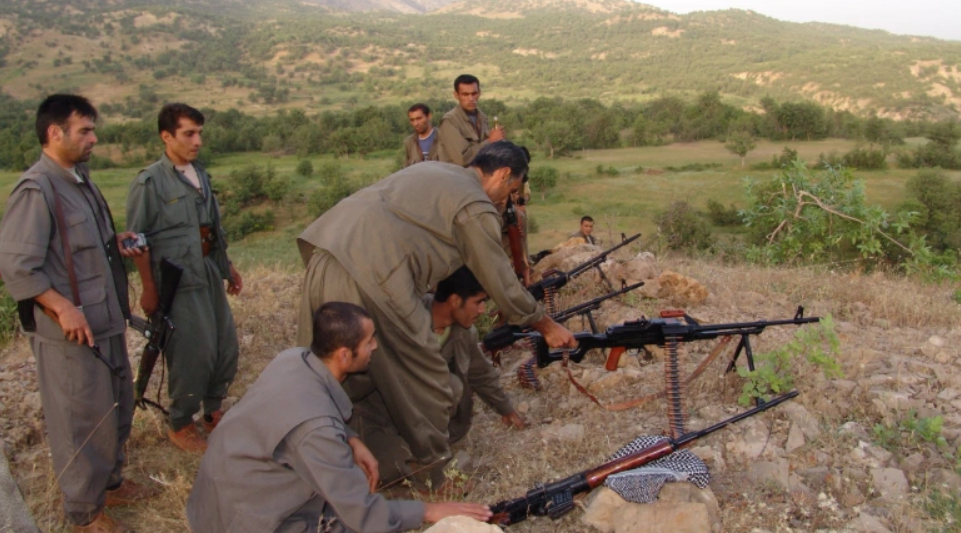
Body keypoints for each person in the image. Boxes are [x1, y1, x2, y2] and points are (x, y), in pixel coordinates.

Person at [296, 141, 575, 490]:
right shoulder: (473, 203)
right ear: (503, 175)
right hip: (376, 278)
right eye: (511, 190)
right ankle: (435, 476)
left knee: (319, 371)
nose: (506, 200)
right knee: (424, 375)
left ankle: (307, 451)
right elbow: (499, 277)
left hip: (325, 259)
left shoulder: (436, 170)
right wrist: (545, 324)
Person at [187, 302, 492, 533]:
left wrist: (352, 438)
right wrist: (428, 511)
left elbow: (310, 411)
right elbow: (363, 515)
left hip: (215, 500)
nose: (374, 346)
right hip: (238, 522)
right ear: (345, 355)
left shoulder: (293, 359)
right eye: (369, 341)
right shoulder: (316, 431)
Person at [0, 94, 152, 533]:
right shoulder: (37, 190)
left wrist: (114, 243)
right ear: (55, 133)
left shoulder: (79, 180)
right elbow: (17, 266)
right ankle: (85, 513)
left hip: (104, 321)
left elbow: (79, 249)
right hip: (70, 333)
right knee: (81, 419)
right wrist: (62, 306)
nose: (94, 138)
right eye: (85, 130)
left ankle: (111, 483)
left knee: (116, 405)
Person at [126, 103, 242, 453]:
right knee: (193, 352)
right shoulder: (149, 182)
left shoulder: (199, 174)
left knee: (224, 346)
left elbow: (211, 229)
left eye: (199, 133)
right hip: (177, 282)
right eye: (189, 134)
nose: (197, 141)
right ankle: (180, 423)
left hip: (206, 271)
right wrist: (149, 288)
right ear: (166, 136)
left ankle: (212, 411)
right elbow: (136, 240)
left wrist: (227, 267)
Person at [362, 267, 526, 480]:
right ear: (455, 301)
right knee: (385, 468)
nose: (482, 310)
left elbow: (481, 373)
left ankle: (427, 450)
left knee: (450, 387)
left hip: (423, 415)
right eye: (478, 302)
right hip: (386, 415)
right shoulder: (406, 321)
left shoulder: (464, 331)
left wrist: (506, 409)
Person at [436, 74, 504, 167]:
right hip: (456, 174)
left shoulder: (482, 117)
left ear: (479, 93)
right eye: (465, 94)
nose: (471, 99)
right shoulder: (450, 121)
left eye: (474, 93)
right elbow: (462, 159)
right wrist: (490, 141)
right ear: (456, 95)